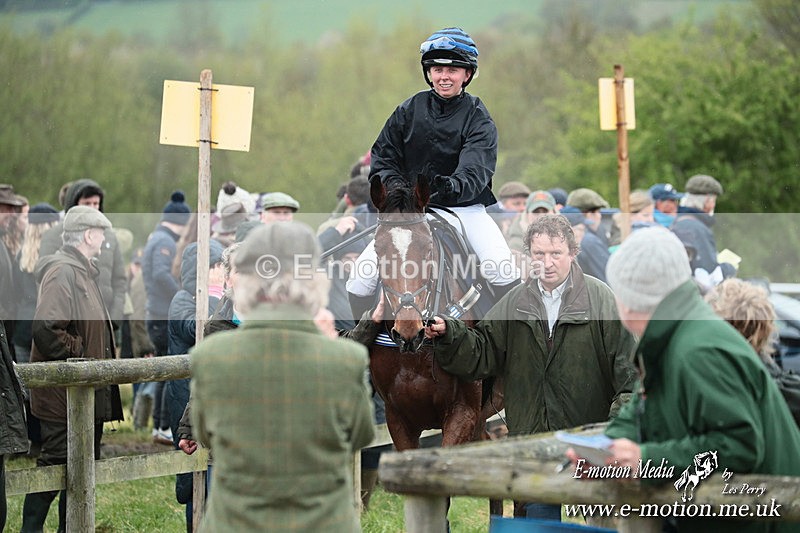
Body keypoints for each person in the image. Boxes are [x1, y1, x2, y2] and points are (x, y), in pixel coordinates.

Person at [425, 213, 637, 521]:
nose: (547, 263)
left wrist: (612, 431)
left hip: (590, 444)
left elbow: (630, 375)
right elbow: (482, 353)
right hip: (532, 441)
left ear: (572, 254)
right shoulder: (515, 301)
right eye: (539, 254)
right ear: (529, 257)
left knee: (601, 523)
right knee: (538, 523)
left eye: (556, 254)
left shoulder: (601, 299)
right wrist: (450, 334)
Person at [595, 227, 800, 533]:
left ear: (628, 300)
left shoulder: (697, 350)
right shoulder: (673, 337)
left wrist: (646, 460)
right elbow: (641, 410)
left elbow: (739, 445)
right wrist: (605, 449)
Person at [190, 221, 375, 532]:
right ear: (312, 282)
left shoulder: (211, 357)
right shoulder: (345, 359)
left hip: (236, 522)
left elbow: (206, 434)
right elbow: (361, 435)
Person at [346, 27, 519, 319]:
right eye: (437, 69)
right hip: (411, 211)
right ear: (429, 73)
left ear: (467, 74)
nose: (444, 76)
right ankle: (368, 347)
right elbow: (384, 156)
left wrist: (447, 187)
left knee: (501, 270)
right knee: (359, 281)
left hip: (464, 210)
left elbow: (476, 168)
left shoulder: (478, 117)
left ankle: (508, 352)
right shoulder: (408, 110)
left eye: (453, 69)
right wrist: (400, 190)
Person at [24, 206, 124, 532]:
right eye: (101, 232)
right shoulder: (63, 271)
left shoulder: (83, 271)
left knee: (80, 471)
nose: (105, 238)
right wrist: (81, 355)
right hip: (61, 397)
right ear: (88, 235)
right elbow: (47, 328)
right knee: (55, 465)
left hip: (81, 394)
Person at [38, 179, 127, 328]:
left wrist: (115, 318)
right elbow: (46, 279)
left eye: (96, 203)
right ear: (74, 204)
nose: (93, 208)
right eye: (87, 203)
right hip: (73, 324)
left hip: (107, 321)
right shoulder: (54, 235)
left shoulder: (109, 236)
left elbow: (120, 280)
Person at [142, 190, 191, 445]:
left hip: (156, 312)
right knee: (167, 370)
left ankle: (158, 426)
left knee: (164, 368)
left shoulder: (157, 236)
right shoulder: (166, 241)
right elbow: (162, 275)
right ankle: (162, 425)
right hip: (162, 314)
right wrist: (182, 295)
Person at [671, 174, 725, 281]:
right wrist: (728, 268)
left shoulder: (676, 221)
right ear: (707, 202)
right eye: (713, 200)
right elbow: (708, 273)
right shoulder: (698, 229)